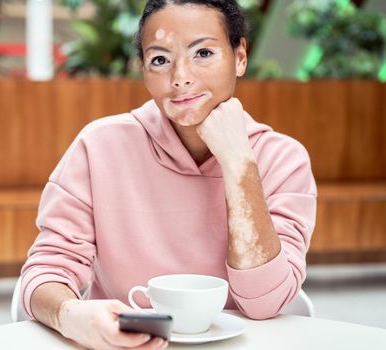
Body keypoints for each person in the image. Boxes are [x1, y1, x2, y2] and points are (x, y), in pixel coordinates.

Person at [20, 0, 317, 349]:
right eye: (160, 60)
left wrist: (238, 164)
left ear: (240, 58)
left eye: (203, 53)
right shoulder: (99, 146)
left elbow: (265, 302)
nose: (181, 79)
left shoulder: (284, 159)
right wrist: (70, 314)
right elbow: (46, 272)